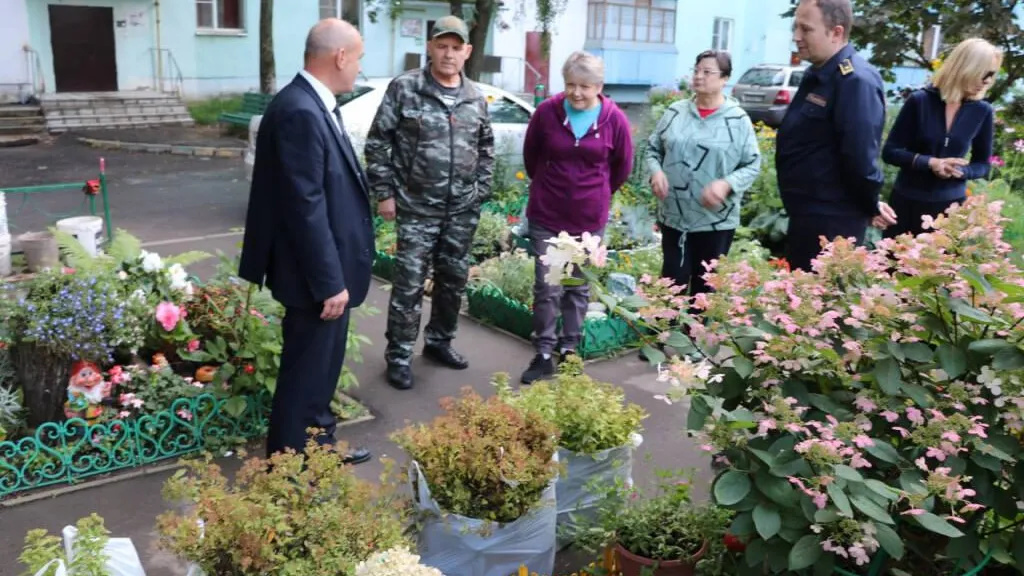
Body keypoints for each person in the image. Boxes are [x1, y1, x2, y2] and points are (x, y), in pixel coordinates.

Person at [237, 18, 373, 464]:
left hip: (322, 274)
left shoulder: (310, 104)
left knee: (320, 373)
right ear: (340, 57)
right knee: (305, 375)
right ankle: (290, 467)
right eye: (358, 59)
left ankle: (318, 449)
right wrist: (329, 281)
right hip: (315, 279)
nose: (358, 69)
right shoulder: (299, 109)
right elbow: (304, 205)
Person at [364, 16, 495, 391]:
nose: (448, 54)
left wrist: (479, 191)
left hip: (461, 211)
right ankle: (400, 355)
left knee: (452, 281)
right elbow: (378, 143)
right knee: (408, 285)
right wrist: (384, 193)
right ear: (430, 47)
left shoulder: (475, 96)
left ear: (467, 52)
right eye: (442, 46)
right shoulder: (406, 88)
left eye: (456, 47)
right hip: (416, 208)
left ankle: (439, 342)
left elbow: (486, 148)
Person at [518, 51, 634, 385]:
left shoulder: (615, 120)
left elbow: (622, 167)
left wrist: (593, 193)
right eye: (571, 85)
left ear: (599, 86)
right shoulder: (546, 113)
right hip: (548, 214)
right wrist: (550, 184)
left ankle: (569, 350)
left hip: (588, 218)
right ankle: (542, 354)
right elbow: (532, 157)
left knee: (577, 286)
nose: (577, 93)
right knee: (548, 285)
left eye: (585, 86)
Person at [775, 0, 896, 272]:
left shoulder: (855, 81)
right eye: (796, 27)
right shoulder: (819, 74)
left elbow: (861, 157)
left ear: (836, 33)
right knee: (802, 307)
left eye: (806, 29)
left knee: (824, 308)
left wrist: (870, 203)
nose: (796, 37)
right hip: (808, 216)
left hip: (832, 223)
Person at [646, 50, 761, 302]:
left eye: (707, 72)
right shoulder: (675, 113)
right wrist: (656, 172)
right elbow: (652, 149)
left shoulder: (737, 119)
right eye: (696, 70)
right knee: (671, 285)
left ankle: (697, 340)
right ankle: (666, 339)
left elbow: (752, 164)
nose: (699, 76)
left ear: (724, 79)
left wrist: (727, 183)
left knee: (704, 290)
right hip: (674, 216)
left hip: (715, 222)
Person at [875, 38, 1000, 237]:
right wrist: (931, 163)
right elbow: (890, 152)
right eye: (984, 74)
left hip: (949, 210)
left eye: (992, 75)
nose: (987, 81)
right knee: (891, 266)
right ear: (966, 68)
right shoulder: (920, 101)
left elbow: (982, 165)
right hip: (907, 203)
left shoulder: (982, 110)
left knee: (939, 267)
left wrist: (961, 171)